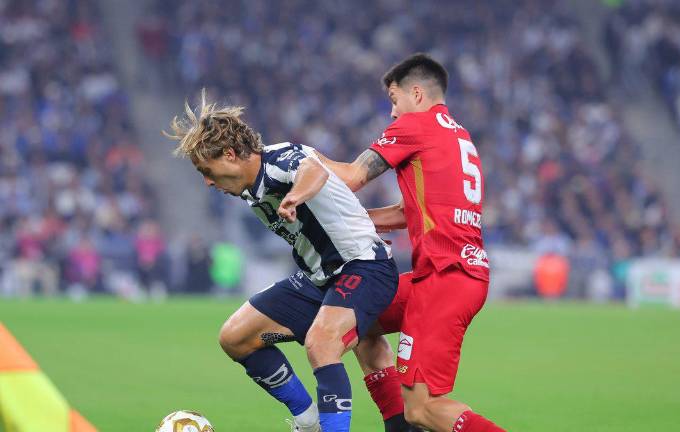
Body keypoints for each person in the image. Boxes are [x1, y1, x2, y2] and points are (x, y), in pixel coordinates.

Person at [165, 93, 411, 432]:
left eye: (207, 171)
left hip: (364, 267)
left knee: (322, 344)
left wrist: (295, 197)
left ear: (231, 154)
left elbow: (312, 170)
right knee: (235, 337)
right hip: (319, 278)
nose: (208, 181)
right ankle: (307, 421)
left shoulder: (278, 158)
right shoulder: (249, 190)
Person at [319, 53, 507, 432]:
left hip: (445, 277)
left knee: (422, 409)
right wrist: (358, 221)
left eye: (394, 99)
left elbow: (352, 176)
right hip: (452, 274)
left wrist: (298, 157)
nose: (392, 112)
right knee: (359, 318)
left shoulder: (415, 125)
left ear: (417, 93)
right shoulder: (458, 135)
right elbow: (413, 211)